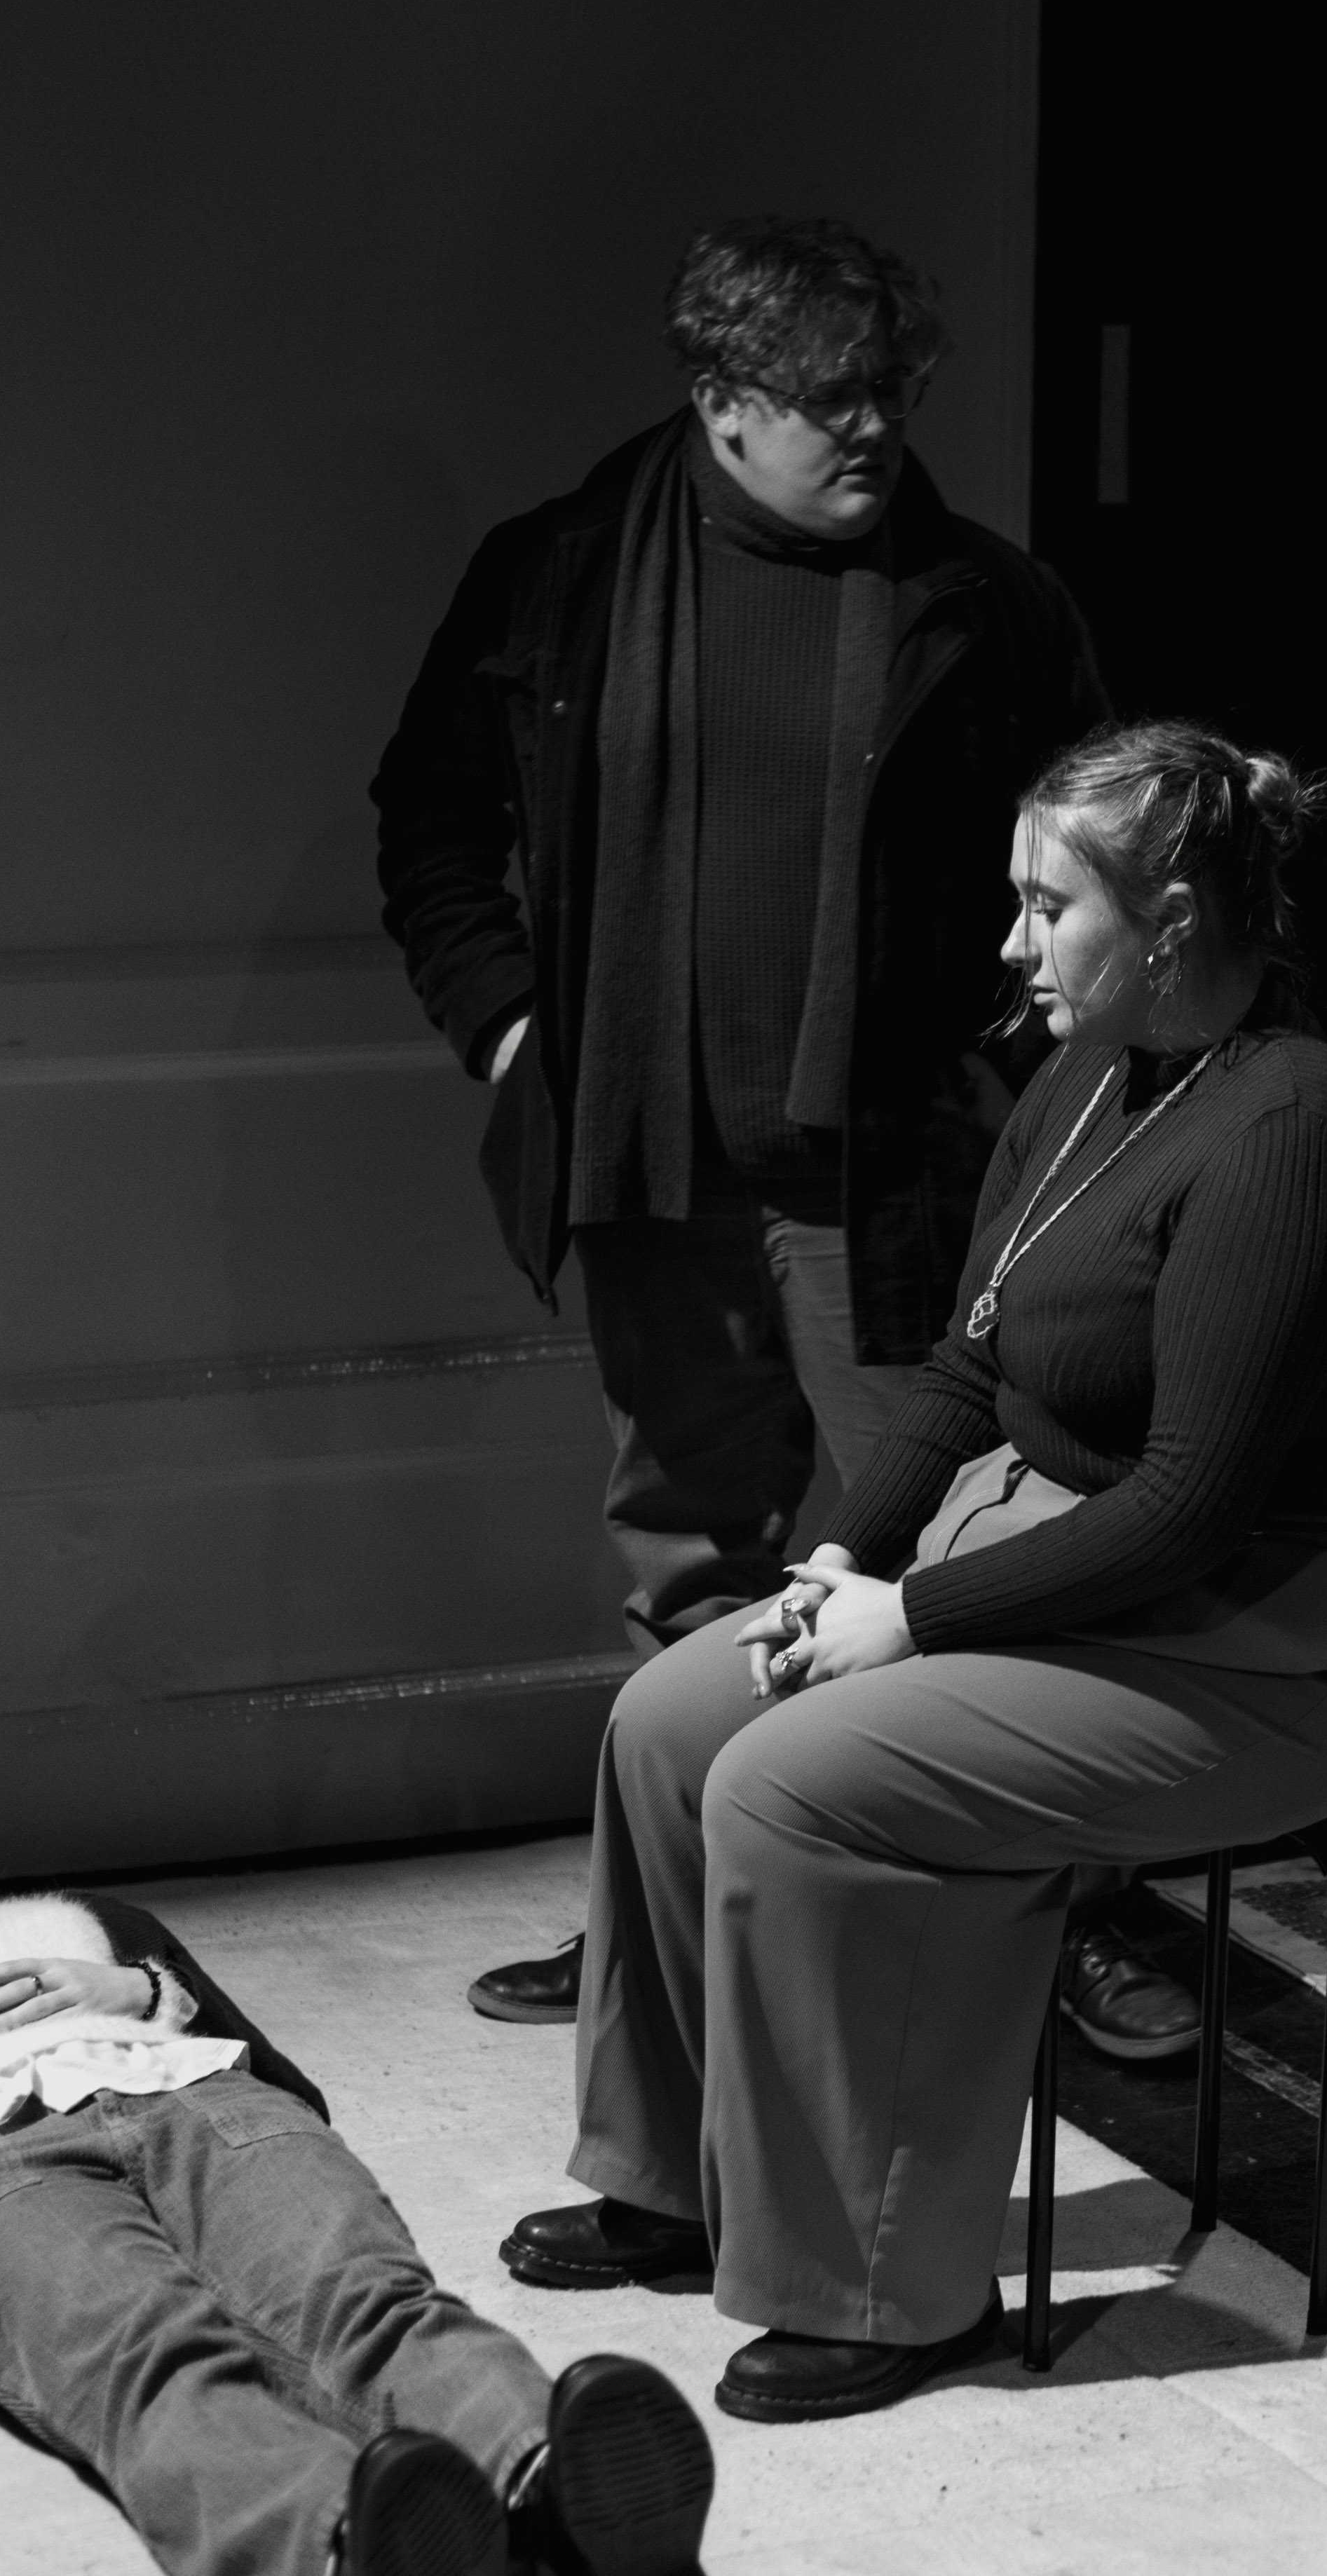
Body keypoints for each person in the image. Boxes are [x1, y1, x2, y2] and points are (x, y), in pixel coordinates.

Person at [498, 722, 1327, 2424]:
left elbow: (1189, 1508)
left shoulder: (1290, 1128)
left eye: (1046, 905)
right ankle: (676, 2178)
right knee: (673, 1721)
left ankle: (881, 2288)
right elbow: (962, 1369)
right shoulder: (1084, 1081)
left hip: (1271, 1647)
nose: (1011, 943)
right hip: (1063, 1570)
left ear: (1167, 920)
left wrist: (912, 1617)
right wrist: (838, 1560)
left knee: (798, 1780)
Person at [367, 218, 1184, 2064]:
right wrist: (512, 1032)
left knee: (959, 1550)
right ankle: (683, 1923)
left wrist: (1002, 1083)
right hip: (644, 1169)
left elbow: (1100, 871)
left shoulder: (985, 602)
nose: (875, 428)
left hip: (884, 1183)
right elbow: (431, 817)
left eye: (893, 390)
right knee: (692, 1564)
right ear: (721, 399)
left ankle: (1064, 1922)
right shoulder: (562, 575)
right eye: (832, 398)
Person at [0, 1790, 716, 2576]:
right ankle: (341, 2540)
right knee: (145, 2354)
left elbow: (292, 2091)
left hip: (192, 2095)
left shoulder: (87, 1920)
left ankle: (557, 2474)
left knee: (360, 2295)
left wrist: (148, 1992)